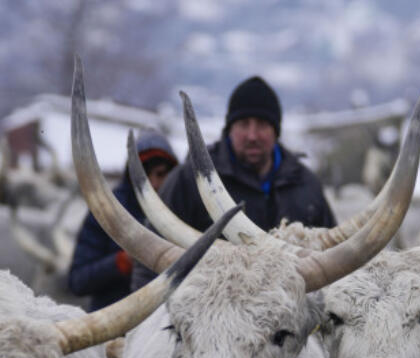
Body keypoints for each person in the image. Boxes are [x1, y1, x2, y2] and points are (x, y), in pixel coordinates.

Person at [158, 75, 336, 235]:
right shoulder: (191, 180)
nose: (252, 135)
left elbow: (331, 257)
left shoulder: (306, 184)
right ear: (229, 129)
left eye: (262, 124)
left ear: (276, 131)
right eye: (243, 124)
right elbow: (155, 252)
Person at [67, 129, 179, 311]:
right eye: (143, 175)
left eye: (161, 174)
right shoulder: (107, 209)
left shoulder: (185, 208)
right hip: (114, 324)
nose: (154, 184)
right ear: (130, 176)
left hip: (166, 323)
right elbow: (77, 281)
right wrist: (121, 262)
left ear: (174, 174)